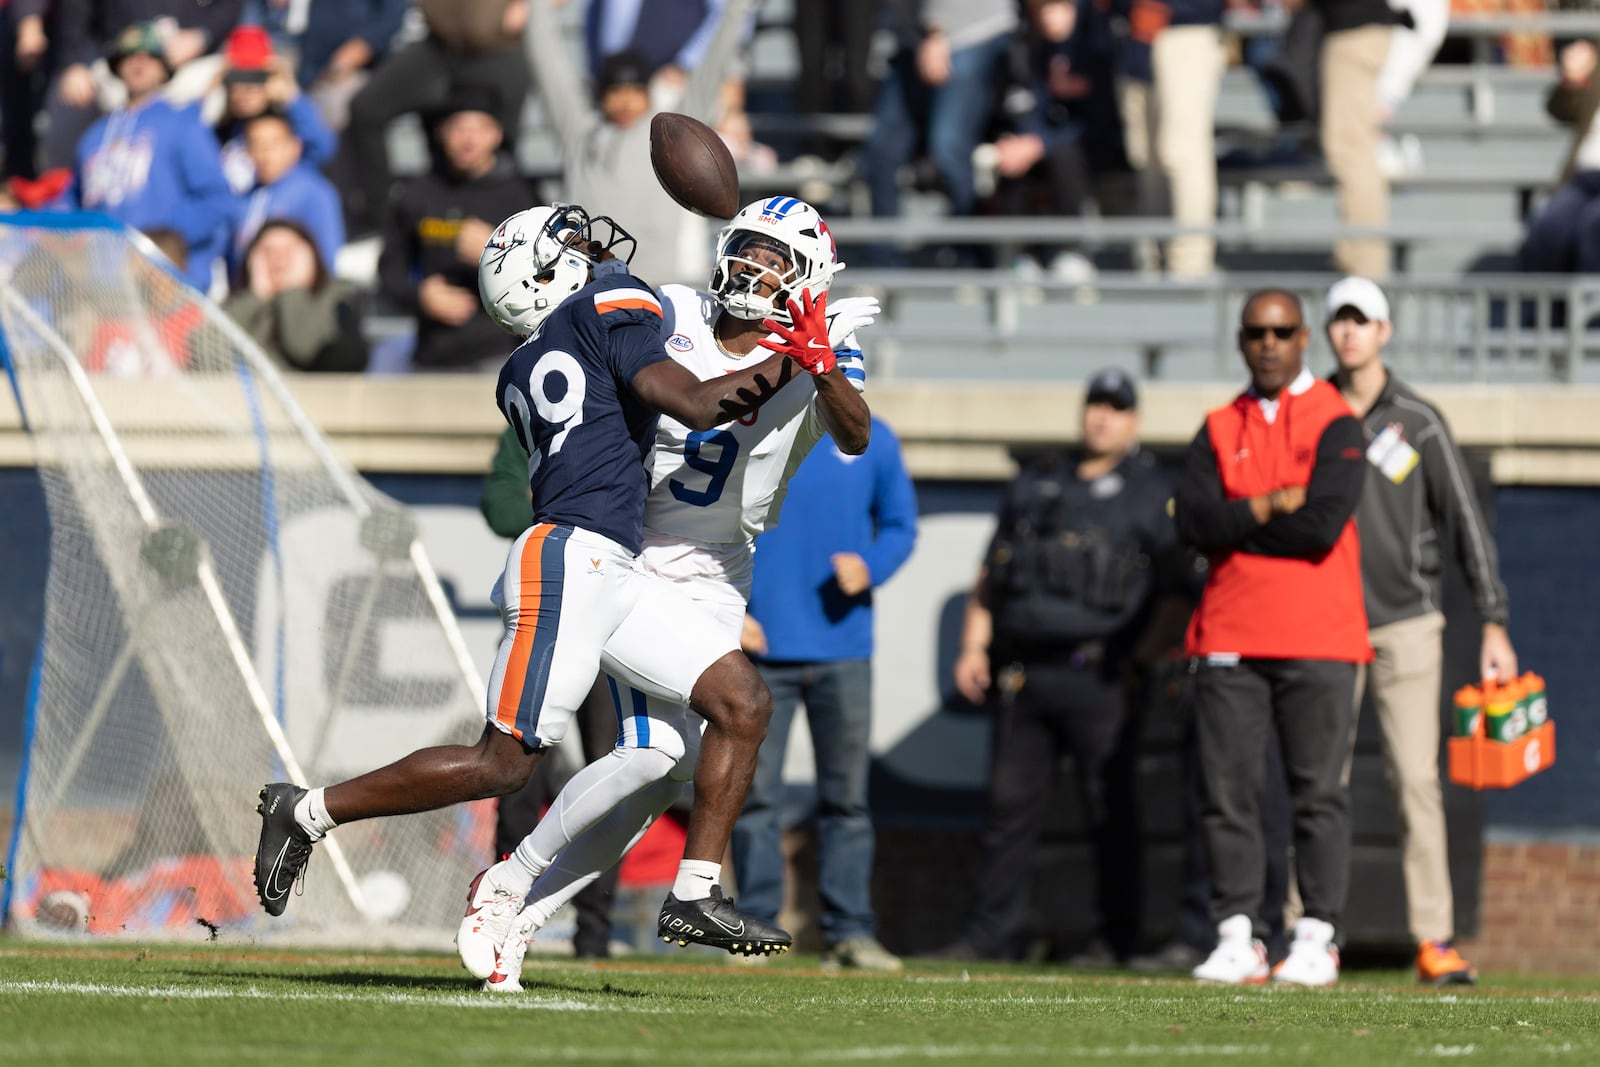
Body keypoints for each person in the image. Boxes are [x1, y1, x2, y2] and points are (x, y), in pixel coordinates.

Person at [252, 201, 832, 959]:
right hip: (574, 561)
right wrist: (801, 354)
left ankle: (692, 891)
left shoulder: (524, 363)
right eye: (569, 244)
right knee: (503, 764)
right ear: (542, 276)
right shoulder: (602, 305)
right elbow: (693, 403)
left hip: (611, 566)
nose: (592, 247)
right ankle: (309, 809)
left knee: (738, 705)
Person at [452, 197, 877, 992]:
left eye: (775, 259)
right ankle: (521, 885)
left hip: (722, 567)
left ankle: (524, 904)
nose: (754, 268)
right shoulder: (669, 308)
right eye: (746, 249)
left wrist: (818, 357)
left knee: (664, 770)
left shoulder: (830, 343)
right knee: (652, 751)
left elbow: (854, 431)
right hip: (634, 549)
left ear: (808, 278)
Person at [935, 368, 1190, 964]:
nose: (1103, 416)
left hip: (1103, 675)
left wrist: (1142, 660)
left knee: (1113, 812)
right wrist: (974, 646)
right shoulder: (1038, 481)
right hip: (1024, 673)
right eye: (1096, 404)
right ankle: (992, 936)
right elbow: (992, 572)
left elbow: (1178, 591)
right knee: (1007, 814)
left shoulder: (1152, 491)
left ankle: (1115, 939)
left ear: (1134, 421)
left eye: (1117, 408)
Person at [1323, 275, 1516, 985]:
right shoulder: (1313, 413)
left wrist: (1492, 621)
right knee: (1319, 783)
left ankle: (1434, 938)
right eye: (1340, 320)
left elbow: (1465, 521)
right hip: (1324, 626)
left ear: (1385, 331)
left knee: (1416, 780)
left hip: (1405, 622)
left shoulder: (1418, 420)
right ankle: (1305, 931)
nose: (1350, 332)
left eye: (1362, 320)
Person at [1175, 288, 1370, 987]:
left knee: (1317, 792)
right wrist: (1268, 501)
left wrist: (1239, 518)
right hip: (1229, 633)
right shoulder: (1217, 424)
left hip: (1321, 636)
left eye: (1282, 330)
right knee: (1228, 792)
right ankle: (1239, 932)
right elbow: (1192, 522)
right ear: (1240, 339)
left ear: (1303, 337)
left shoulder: (1338, 422)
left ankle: (1317, 932)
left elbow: (1321, 527)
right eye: (1256, 330)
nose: (1268, 342)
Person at [729, 415, 917, 972]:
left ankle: (850, 934)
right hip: (762, 650)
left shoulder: (874, 438)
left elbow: (902, 527)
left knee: (847, 801)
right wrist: (729, 610)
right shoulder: (755, 429)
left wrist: (872, 566)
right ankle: (754, 927)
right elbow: (706, 525)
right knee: (755, 797)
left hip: (844, 651)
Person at [479, 423, 624, 959]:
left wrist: (549, 513)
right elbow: (500, 507)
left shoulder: (628, 420)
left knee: (613, 778)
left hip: (611, 632)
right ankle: (495, 918)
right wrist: (579, 524)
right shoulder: (531, 423)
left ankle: (594, 935)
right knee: (513, 774)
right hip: (538, 621)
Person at [523, 0, 750, 287]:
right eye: (615, 91)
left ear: (648, 94)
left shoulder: (671, 139)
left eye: (635, 90)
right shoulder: (582, 134)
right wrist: (539, 7)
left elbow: (713, 66)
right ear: (601, 94)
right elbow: (547, 62)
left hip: (654, 288)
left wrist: (738, 8)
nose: (626, 101)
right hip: (584, 286)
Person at [64, 20, 235, 293]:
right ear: (117, 66)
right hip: (103, 288)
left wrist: (157, 246)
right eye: (130, 57)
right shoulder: (94, 136)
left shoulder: (184, 123)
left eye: (149, 57)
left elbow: (217, 201)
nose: (138, 64)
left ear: (164, 68)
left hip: (166, 285)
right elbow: (70, 202)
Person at [375, 85, 535, 372]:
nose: (468, 139)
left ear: (496, 134)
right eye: (459, 128)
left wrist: (496, 255)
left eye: (479, 128)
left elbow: (548, 280)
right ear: (441, 133)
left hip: (501, 355)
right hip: (431, 354)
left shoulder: (521, 197)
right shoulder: (417, 193)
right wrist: (420, 296)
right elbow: (389, 272)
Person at [343, 0, 530, 234]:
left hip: (496, 46)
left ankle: (504, 237)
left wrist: (538, 7)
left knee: (499, 149)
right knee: (366, 110)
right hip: (440, 44)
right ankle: (380, 224)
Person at [221, 218, 368, 372]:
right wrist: (256, 296)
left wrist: (292, 289)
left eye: (289, 250)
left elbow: (303, 349)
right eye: (268, 251)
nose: (279, 259)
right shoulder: (240, 303)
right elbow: (206, 349)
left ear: (310, 255)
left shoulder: (338, 299)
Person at [228, 110, 344, 280]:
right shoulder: (245, 196)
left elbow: (326, 255)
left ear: (295, 147)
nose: (265, 153)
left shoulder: (313, 192)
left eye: (273, 144)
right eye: (256, 145)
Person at [1519, 38, 1600, 274]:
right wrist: (1573, 80)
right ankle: (1545, 311)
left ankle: (1587, 310)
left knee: (1594, 228)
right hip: (1584, 177)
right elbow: (1559, 109)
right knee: (1549, 227)